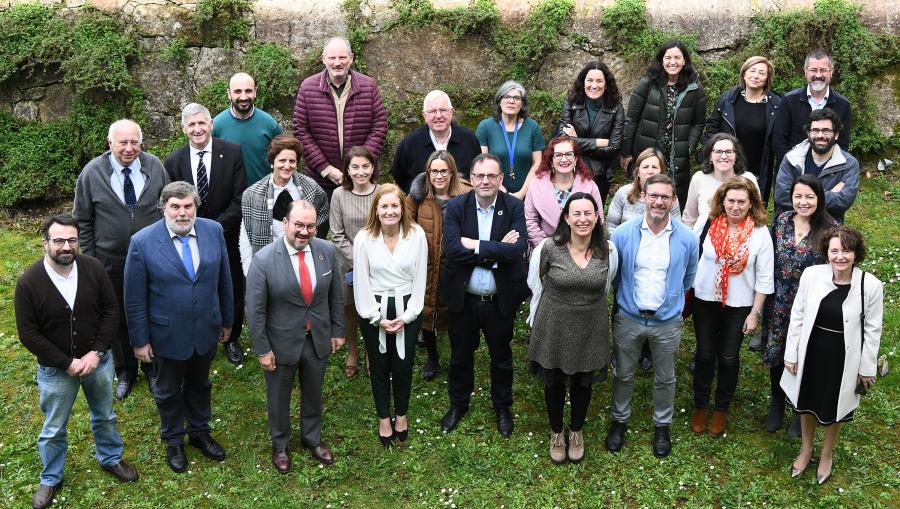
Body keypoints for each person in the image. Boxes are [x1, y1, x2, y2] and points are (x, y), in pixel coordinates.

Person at [15, 215, 139, 509]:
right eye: (59, 241)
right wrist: (66, 362)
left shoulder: (93, 269)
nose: (66, 246)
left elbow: (111, 311)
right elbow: (28, 333)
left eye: (72, 240)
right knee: (54, 427)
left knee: (105, 415)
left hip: (98, 362)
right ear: (46, 243)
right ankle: (51, 477)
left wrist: (96, 353)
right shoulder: (29, 282)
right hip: (56, 371)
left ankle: (110, 458)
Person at [123, 182, 233, 473]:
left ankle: (199, 432)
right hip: (165, 334)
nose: (182, 213)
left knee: (200, 384)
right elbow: (134, 298)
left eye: (188, 206)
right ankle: (173, 439)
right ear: (164, 209)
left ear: (196, 207)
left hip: (205, 329)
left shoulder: (213, 231)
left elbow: (224, 279)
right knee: (168, 390)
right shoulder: (142, 242)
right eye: (176, 207)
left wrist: (227, 320)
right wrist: (139, 340)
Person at [72, 118, 169, 401]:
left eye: (134, 142)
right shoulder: (92, 173)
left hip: (150, 256)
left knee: (151, 310)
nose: (129, 148)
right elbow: (82, 220)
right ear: (110, 142)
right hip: (109, 260)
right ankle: (125, 371)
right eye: (122, 142)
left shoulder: (155, 166)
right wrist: (92, 260)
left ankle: (152, 368)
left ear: (141, 142)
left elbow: (166, 210)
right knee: (117, 316)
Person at [246, 200, 345, 472]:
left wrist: (337, 330)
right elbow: (255, 311)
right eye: (299, 225)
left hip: (317, 340)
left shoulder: (326, 250)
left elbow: (336, 295)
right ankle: (280, 445)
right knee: (278, 398)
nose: (304, 231)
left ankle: (312, 439)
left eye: (310, 226)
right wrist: (262, 349)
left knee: (314, 393)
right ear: (285, 223)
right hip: (280, 345)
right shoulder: (264, 260)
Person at [605, 174, 698, 458]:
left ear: (673, 201)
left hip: (667, 322)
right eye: (653, 195)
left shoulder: (687, 238)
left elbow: (688, 277)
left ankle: (662, 425)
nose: (659, 201)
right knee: (623, 373)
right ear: (643, 197)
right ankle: (619, 421)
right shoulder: (623, 234)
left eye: (665, 197)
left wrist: (672, 302)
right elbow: (616, 275)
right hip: (630, 318)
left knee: (666, 377)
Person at [781, 225, 883, 485]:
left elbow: (873, 329)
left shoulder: (870, 285)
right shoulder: (812, 275)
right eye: (834, 250)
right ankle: (806, 450)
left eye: (846, 251)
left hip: (843, 357)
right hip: (811, 350)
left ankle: (826, 454)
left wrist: (867, 367)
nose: (840, 256)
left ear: (856, 254)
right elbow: (798, 315)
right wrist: (791, 353)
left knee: (835, 406)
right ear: (826, 252)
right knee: (806, 401)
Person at [438, 153, 530, 436]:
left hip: (498, 299)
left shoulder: (513, 206)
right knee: (460, 356)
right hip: (463, 299)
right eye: (480, 176)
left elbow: (516, 251)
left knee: (501, 357)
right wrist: (494, 250)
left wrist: (474, 246)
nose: (486, 181)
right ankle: (458, 403)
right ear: (471, 179)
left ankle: (502, 406)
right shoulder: (456, 206)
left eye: (492, 176)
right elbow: (452, 250)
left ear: (501, 179)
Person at [526, 193, 618, 464]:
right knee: (553, 381)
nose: (583, 219)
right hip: (554, 324)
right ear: (566, 217)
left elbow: (607, 285)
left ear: (597, 217)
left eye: (588, 213)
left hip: (591, 325)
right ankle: (556, 433)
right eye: (576, 213)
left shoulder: (608, 250)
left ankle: (576, 431)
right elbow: (535, 283)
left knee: (583, 382)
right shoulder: (548, 247)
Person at [689, 176, 774, 437]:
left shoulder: (760, 233)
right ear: (722, 201)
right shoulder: (707, 222)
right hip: (705, 299)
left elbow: (765, 276)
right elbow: (691, 255)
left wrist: (755, 313)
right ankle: (701, 405)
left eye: (741, 202)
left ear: (751, 204)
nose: (735, 206)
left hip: (740, 305)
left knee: (727, 357)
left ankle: (722, 408)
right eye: (731, 201)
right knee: (704, 354)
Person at [165, 102, 248, 365]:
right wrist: (194, 229)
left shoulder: (232, 153)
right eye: (192, 124)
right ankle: (200, 334)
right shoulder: (173, 161)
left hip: (228, 232)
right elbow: (174, 203)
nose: (198, 129)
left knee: (232, 282)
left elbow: (240, 197)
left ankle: (232, 336)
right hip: (189, 235)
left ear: (211, 124)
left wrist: (216, 228)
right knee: (194, 283)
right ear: (183, 128)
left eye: (202, 123)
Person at [353, 184, 427, 447]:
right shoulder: (364, 238)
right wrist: (375, 317)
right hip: (375, 306)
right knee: (380, 364)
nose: (389, 211)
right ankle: (384, 418)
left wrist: (409, 316)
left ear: (402, 208)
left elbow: (420, 278)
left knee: (403, 365)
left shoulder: (416, 234)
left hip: (408, 305)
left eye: (394, 205)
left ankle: (402, 415)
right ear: (376, 210)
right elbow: (361, 281)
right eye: (384, 206)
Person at [292, 36, 388, 237]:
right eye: (332, 57)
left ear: (351, 58)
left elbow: (379, 126)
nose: (337, 63)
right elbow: (301, 130)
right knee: (313, 234)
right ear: (324, 59)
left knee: (367, 234)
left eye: (343, 57)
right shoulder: (308, 87)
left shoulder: (368, 86)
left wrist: (358, 167)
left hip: (361, 180)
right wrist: (327, 170)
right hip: (320, 179)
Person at [762, 174, 835, 433]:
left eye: (809, 197)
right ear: (791, 197)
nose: (803, 202)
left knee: (804, 353)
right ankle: (777, 401)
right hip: (778, 301)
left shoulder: (829, 229)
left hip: (810, 305)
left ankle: (798, 406)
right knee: (778, 351)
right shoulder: (781, 221)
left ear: (819, 198)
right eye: (798, 196)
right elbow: (767, 258)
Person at [405, 151, 472, 380]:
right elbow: (406, 225)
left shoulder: (466, 195)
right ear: (428, 172)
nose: (439, 175)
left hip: (455, 265)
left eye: (444, 170)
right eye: (434, 171)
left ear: (451, 172)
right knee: (428, 310)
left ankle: (457, 359)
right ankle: (432, 358)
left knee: (455, 313)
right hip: (426, 263)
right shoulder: (418, 196)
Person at [621, 40, 707, 206]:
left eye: (677, 57)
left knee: (672, 198)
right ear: (661, 60)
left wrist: (688, 146)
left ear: (684, 60)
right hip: (647, 151)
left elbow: (698, 123)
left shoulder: (694, 88)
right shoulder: (648, 83)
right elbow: (631, 119)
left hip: (676, 154)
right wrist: (626, 153)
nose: (672, 62)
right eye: (668, 57)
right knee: (643, 197)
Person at [239, 134, 328, 276]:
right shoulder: (252, 194)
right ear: (272, 161)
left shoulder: (311, 188)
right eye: (282, 160)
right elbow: (245, 236)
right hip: (266, 266)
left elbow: (322, 220)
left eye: (292, 161)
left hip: (303, 263)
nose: (287, 166)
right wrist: (249, 271)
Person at [330, 146, 381, 379]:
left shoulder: (382, 193)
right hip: (347, 264)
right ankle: (353, 351)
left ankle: (372, 352)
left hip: (379, 263)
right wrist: (358, 262)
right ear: (347, 170)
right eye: (355, 167)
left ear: (373, 168)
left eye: (365, 166)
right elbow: (336, 233)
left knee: (373, 309)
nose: (361, 172)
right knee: (349, 308)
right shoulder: (339, 194)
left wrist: (374, 262)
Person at [701, 56, 782, 203]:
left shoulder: (775, 106)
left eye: (761, 73)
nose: (756, 76)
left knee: (752, 212)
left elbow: (780, 139)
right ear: (744, 74)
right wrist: (707, 156)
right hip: (726, 167)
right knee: (722, 207)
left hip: (757, 170)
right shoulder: (728, 100)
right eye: (752, 71)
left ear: (767, 79)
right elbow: (712, 128)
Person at [773, 108, 859, 222]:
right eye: (815, 130)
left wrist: (799, 196)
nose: (820, 135)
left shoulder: (849, 164)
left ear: (836, 134)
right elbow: (781, 196)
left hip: (828, 227)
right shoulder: (792, 158)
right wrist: (827, 195)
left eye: (826, 131)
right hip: (792, 225)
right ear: (808, 133)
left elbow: (844, 201)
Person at [557, 60, 625, 202]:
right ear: (583, 82)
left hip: (599, 174)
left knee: (594, 218)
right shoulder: (571, 101)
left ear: (606, 85)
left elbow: (614, 147)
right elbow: (561, 140)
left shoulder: (616, 108)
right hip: (570, 170)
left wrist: (576, 142)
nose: (594, 85)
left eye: (599, 81)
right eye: (590, 80)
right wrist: (598, 142)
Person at [772, 48, 852, 167]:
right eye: (813, 70)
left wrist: (830, 172)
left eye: (823, 70)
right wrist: (791, 168)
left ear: (831, 71)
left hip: (827, 174)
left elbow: (842, 144)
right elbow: (779, 141)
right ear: (805, 71)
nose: (818, 75)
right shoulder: (789, 100)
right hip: (792, 172)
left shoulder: (843, 105)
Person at [391, 90, 481, 192]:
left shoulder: (469, 139)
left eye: (443, 110)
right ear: (424, 115)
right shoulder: (410, 143)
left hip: (462, 205)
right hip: (423, 205)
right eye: (432, 111)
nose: (438, 116)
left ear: (451, 112)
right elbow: (399, 175)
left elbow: (478, 172)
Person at [524, 136, 603, 249]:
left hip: (583, 248)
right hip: (545, 247)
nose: (564, 159)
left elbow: (598, 218)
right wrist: (547, 248)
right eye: (558, 155)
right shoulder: (536, 184)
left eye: (569, 154)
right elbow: (530, 221)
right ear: (551, 159)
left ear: (575, 158)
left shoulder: (590, 185)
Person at [476, 81, 546, 199]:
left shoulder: (532, 127)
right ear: (499, 101)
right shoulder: (485, 127)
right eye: (507, 97)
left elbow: (537, 163)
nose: (511, 101)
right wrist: (502, 191)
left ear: (522, 103)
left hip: (528, 195)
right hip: (493, 194)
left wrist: (521, 194)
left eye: (516, 98)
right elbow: (483, 164)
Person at [211, 72, 284, 185]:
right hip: (229, 198)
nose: (244, 97)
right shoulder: (216, 125)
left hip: (263, 194)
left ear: (255, 92)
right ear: (229, 94)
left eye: (248, 91)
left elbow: (284, 158)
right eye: (238, 91)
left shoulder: (269, 124)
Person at [682, 133, 760, 228]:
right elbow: (689, 219)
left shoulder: (748, 179)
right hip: (705, 239)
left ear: (736, 156)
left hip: (742, 238)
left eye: (728, 151)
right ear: (710, 156)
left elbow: (757, 215)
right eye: (718, 151)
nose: (723, 156)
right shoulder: (698, 179)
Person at [605, 147, 681, 236]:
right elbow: (610, 226)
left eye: (654, 167)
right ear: (638, 172)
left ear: (661, 172)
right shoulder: (623, 193)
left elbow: (677, 229)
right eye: (645, 167)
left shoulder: (669, 197)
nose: (650, 171)